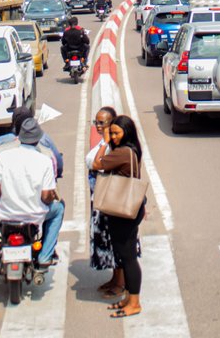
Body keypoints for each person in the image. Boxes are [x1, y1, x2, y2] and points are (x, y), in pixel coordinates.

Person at [0, 118, 64, 269]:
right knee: (59, 210)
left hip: (5, 213)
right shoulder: (44, 159)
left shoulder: (4, 156)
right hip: (35, 215)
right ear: (38, 139)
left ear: (18, 138)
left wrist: (5, 200)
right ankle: (45, 255)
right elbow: (46, 196)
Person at [91, 115, 145, 319]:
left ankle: (135, 302)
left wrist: (104, 142)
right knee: (124, 254)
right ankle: (129, 299)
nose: (113, 137)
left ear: (126, 133)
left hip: (123, 211)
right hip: (129, 208)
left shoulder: (122, 152)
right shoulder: (132, 150)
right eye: (111, 133)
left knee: (128, 257)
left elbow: (96, 164)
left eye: (116, 133)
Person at [87, 106, 135, 296]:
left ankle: (120, 282)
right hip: (100, 200)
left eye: (102, 122)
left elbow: (98, 163)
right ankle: (114, 278)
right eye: (96, 122)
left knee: (116, 242)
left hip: (110, 201)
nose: (98, 126)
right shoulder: (105, 142)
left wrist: (103, 144)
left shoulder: (111, 146)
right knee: (108, 241)